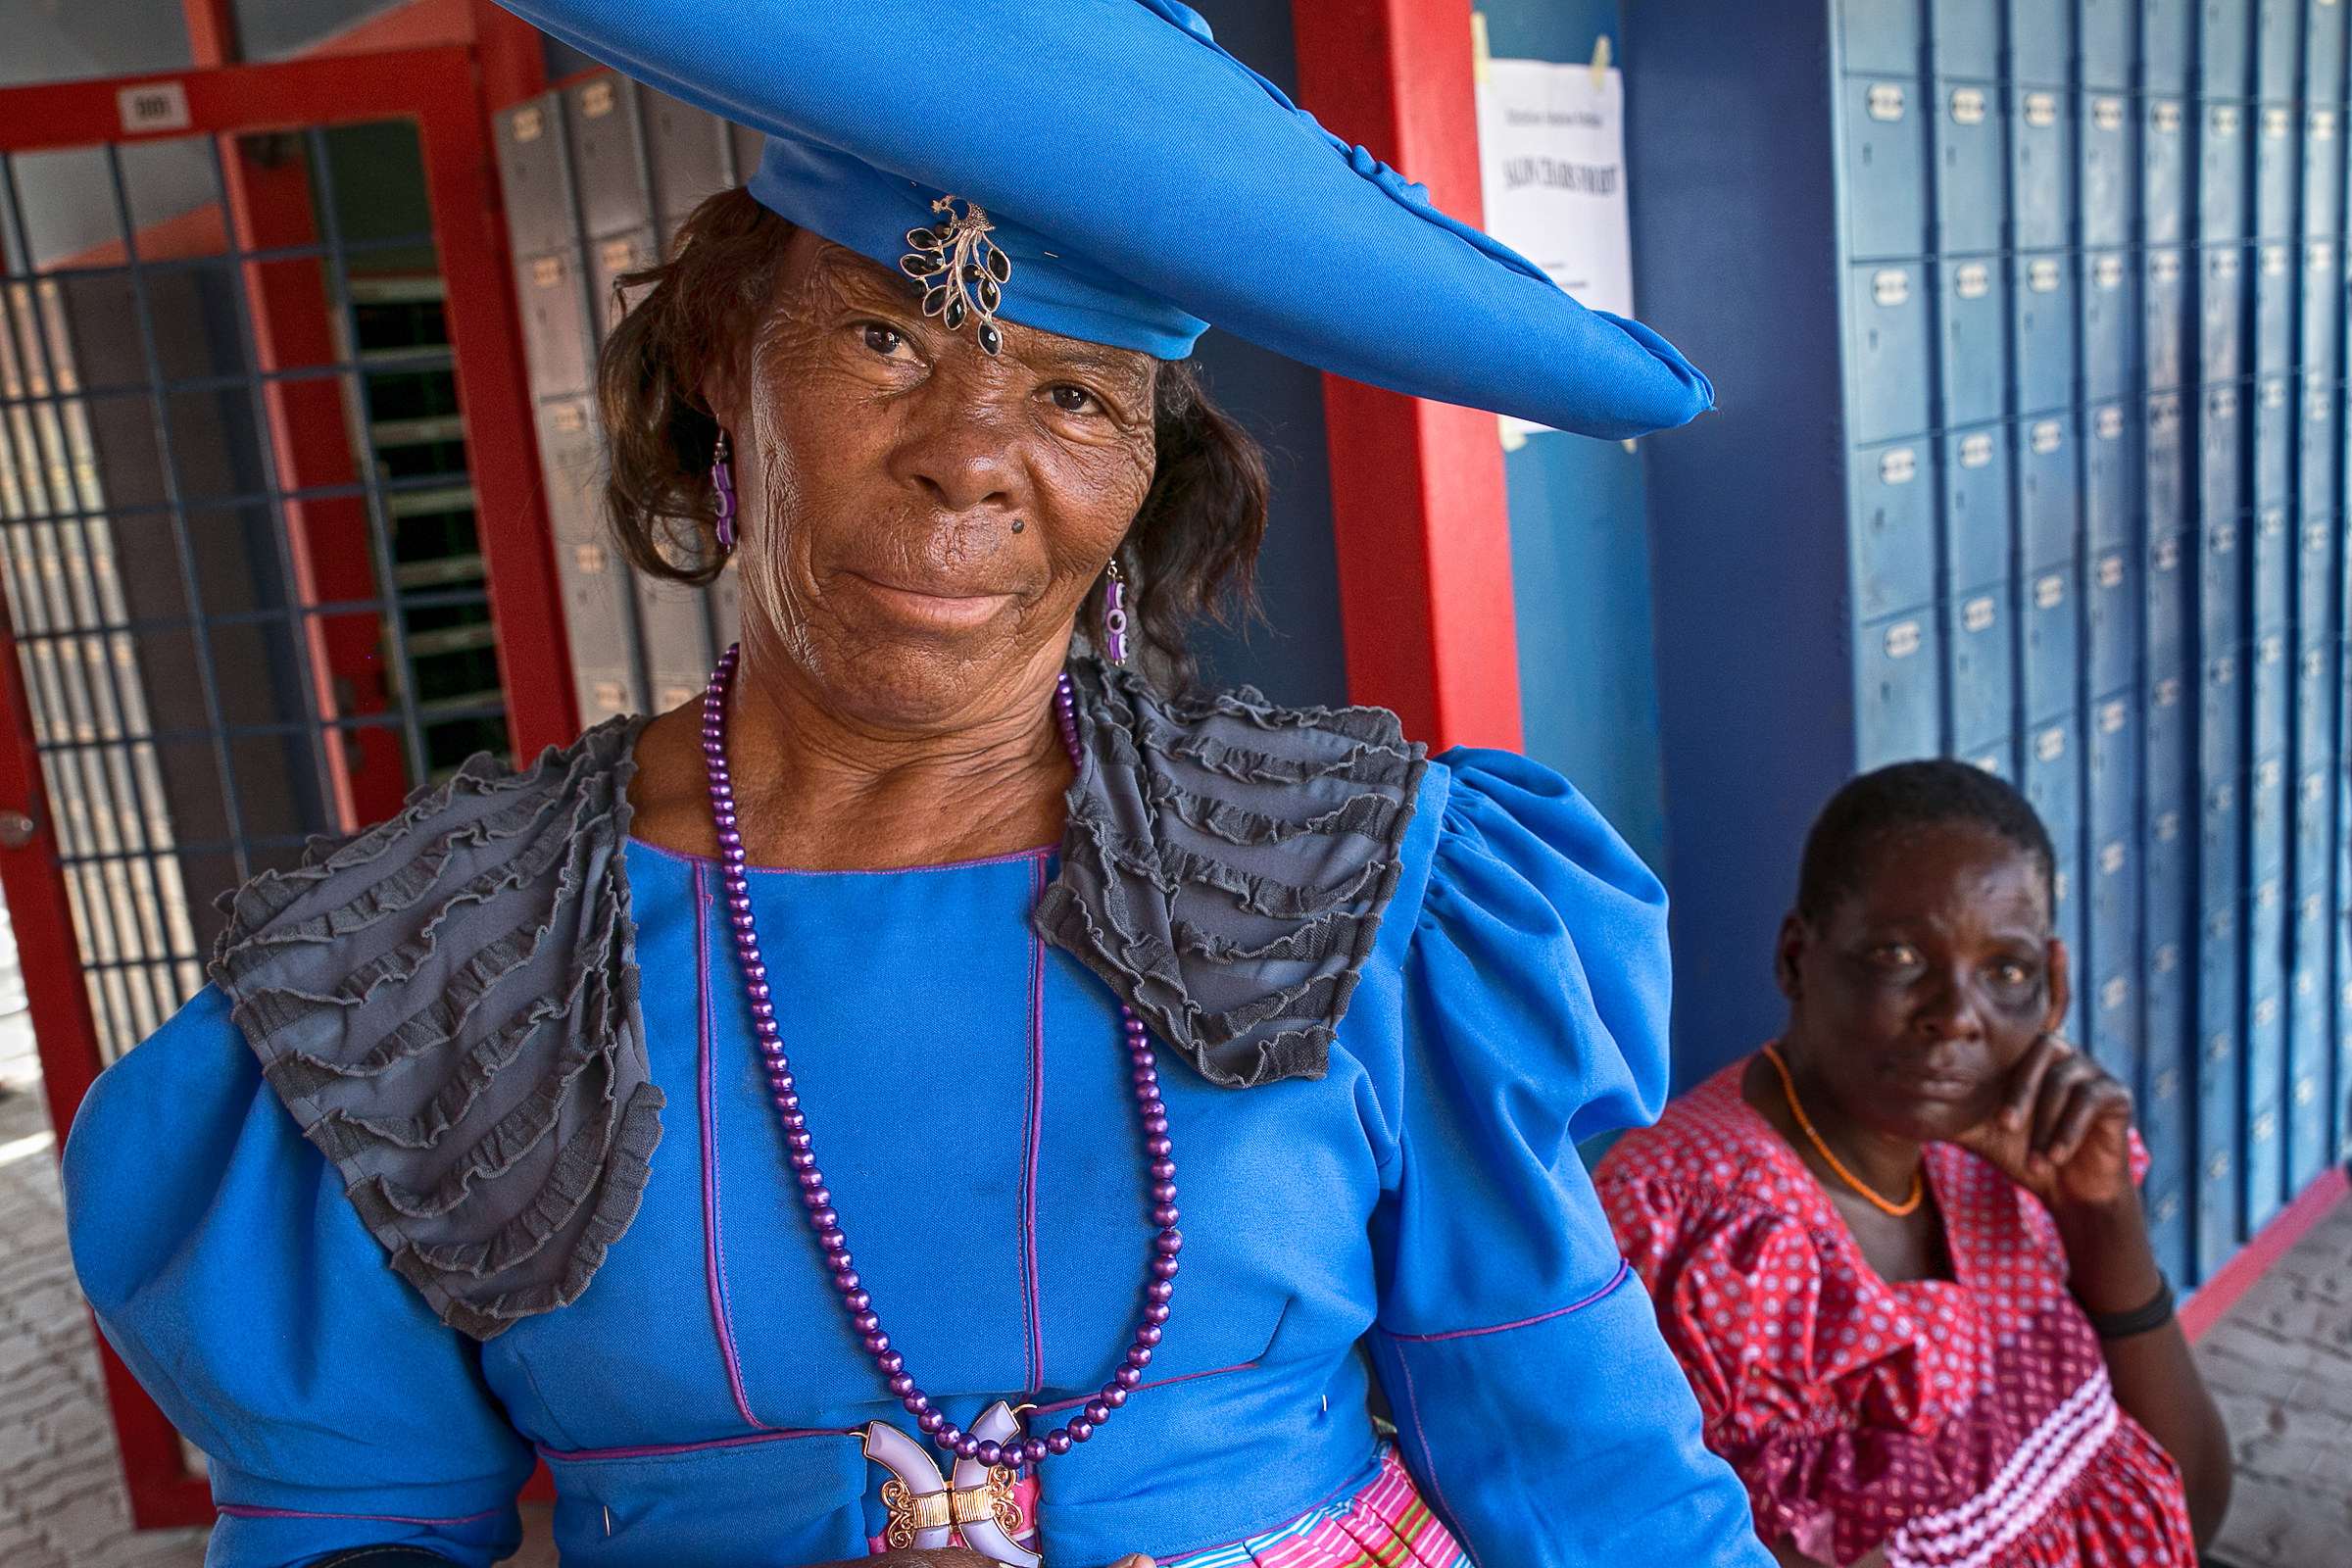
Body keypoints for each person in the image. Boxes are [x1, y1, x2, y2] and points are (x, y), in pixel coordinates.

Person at [62, 4, 1767, 1567]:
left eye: (1078, 393)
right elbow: (350, 1531)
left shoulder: (1361, 895)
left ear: (1142, 469)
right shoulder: (438, 968)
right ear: (729, 357)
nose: (972, 450)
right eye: (889, 337)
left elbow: (1593, 1481)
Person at [1595, 760, 2231, 1568]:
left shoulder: (2027, 1157)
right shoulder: (1685, 1229)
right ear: (1796, 957)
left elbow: (2189, 1508)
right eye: (1899, 957)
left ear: (2055, 987)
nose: (1958, 1018)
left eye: (2006, 971)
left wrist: (2103, 1221)